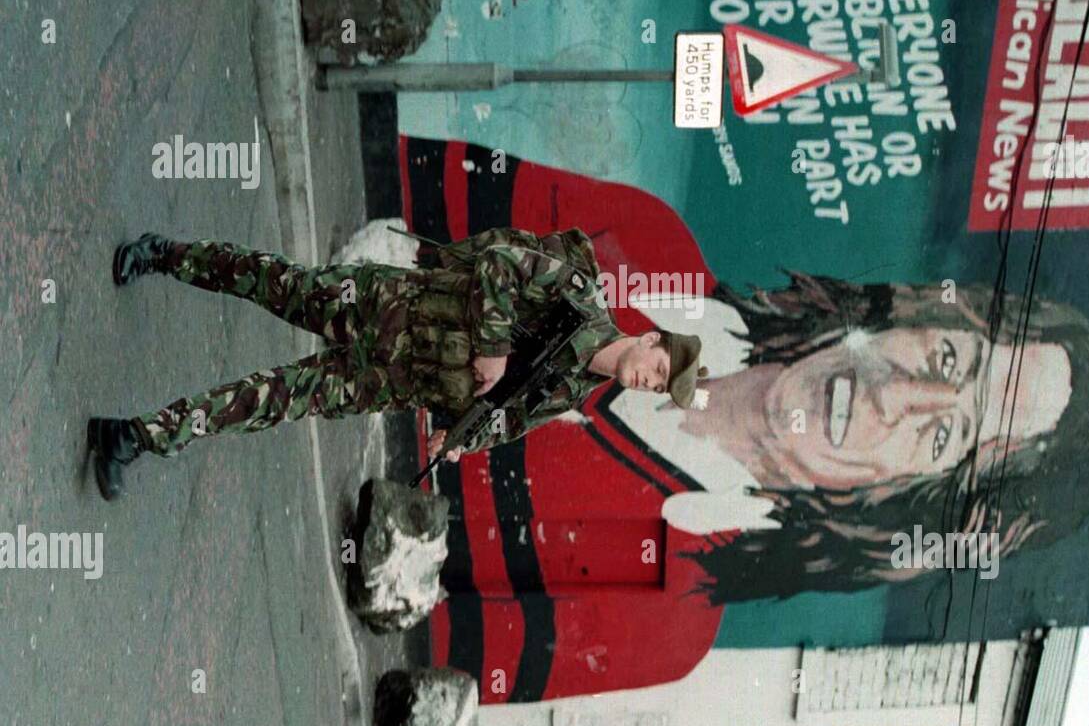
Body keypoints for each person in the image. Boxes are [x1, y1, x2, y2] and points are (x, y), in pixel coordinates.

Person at [85, 228, 707, 501]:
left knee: (271, 400)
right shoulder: (577, 291)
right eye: (657, 369)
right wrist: (492, 345)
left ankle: (135, 438)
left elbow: (506, 421)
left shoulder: (571, 393)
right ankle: (165, 255)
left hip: (391, 382)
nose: (647, 381)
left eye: (656, 388)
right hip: (386, 307)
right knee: (268, 282)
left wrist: (459, 436)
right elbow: (498, 264)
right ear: (651, 339)